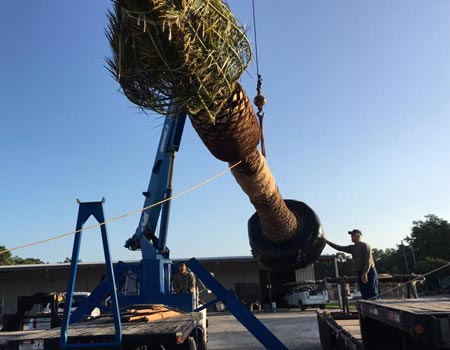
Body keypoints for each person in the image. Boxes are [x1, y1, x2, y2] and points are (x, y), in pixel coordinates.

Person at [326, 229, 379, 300]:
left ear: (358, 236)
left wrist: (365, 273)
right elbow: (339, 247)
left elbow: (368, 261)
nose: (351, 237)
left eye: (352, 236)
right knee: (364, 293)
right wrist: (326, 241)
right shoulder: (352, 247)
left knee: (372, 293)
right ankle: (367, 309)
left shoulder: (365, 246)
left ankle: (375, 308)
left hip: (369, 272)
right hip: (360, 272)